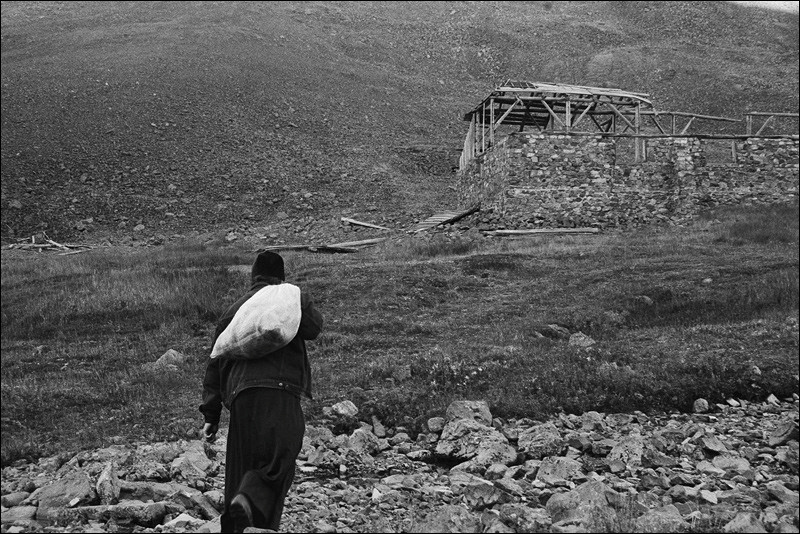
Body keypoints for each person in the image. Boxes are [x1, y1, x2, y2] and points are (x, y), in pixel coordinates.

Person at [200, 251, 323, 533]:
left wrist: (211, 414)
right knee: (280, 458)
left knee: (241, 469)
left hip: (241, 400)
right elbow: (314, 328)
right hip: (279, 392)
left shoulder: (235, 310)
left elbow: (215, 364)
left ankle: (234, 525)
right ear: (282, 276)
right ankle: (253, 504)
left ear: (252, 276)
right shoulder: (290, 296)